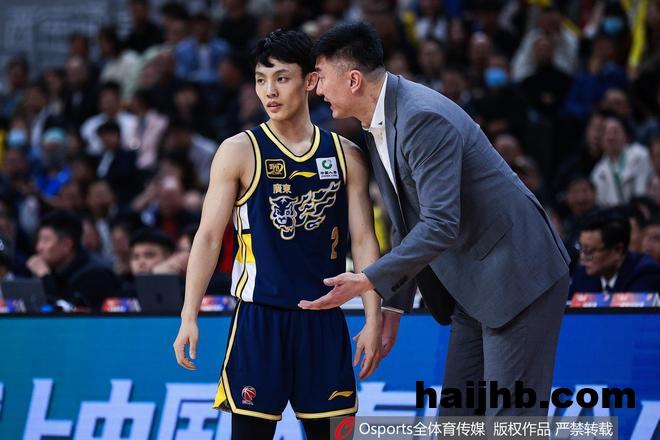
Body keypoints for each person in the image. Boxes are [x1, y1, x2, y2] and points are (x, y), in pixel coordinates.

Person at [305, 22, 571, 416]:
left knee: (510, 423)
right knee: (456, 422)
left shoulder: (421, 118)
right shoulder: (378, 121)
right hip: (473, 283)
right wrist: (394, 307)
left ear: (354, 80)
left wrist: (367, 279)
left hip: (518, 276)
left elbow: (440, 223)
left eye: (322, 77)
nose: (318, 90)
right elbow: (407, 222)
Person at [172, 30, 382, 439]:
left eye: (282, 78)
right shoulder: (238, 150)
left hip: (324, 319)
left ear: (310, 81)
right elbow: (209, 238)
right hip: (259, 318)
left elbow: (363, 241)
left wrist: (373, 318)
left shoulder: (346, 154)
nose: (269, 91)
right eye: (261, 80)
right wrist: (188, 315)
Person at [26, 210, 120, 311]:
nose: (38, 247)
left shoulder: (95, 275)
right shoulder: (55, 270)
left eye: (45, 240)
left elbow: (66, 314)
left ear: (67, 244)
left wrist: (45, 277)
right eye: (39, 240)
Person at [570, 213, 660, 295]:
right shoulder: (582, 274)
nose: (583, 257)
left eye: (589, 251)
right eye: (581, 248)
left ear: (618, 250)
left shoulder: (645, 272)